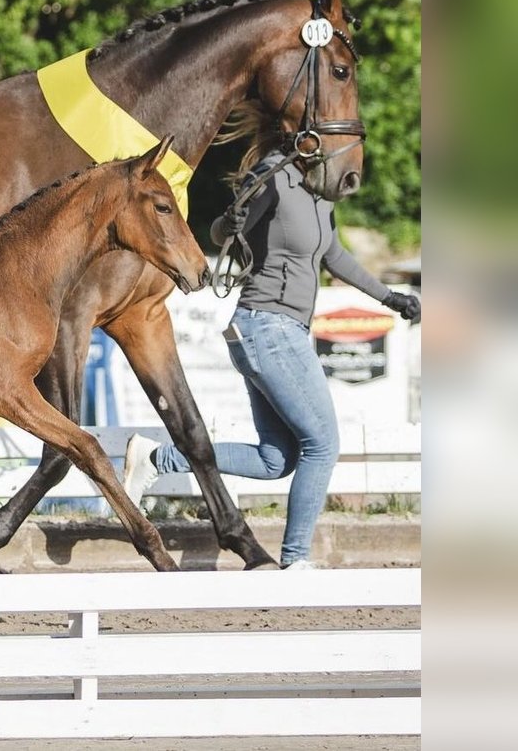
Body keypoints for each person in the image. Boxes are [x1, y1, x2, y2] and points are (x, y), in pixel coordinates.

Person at [122, 149, 421, 570]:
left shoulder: (321, 195)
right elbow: (221, 231)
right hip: (268, 326)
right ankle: (295, 560)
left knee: (276, 459)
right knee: (323, 444)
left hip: (278, 331)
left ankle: (158, 458)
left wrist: (389, 297)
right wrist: (232, 222)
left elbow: (334, 256)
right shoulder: (274, 176)